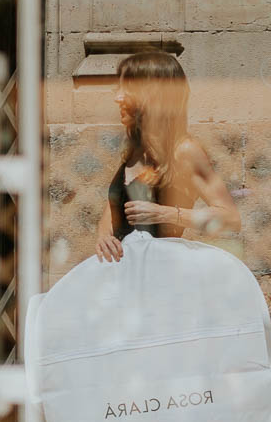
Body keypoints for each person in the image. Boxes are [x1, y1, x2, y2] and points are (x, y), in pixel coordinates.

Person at [95, 51, 240, 263]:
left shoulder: (185, 151)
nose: (117, 98)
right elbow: (112, 210)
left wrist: (165, 214)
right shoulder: (135, 151)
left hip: (161, 272)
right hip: (124, 272)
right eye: (119, 88)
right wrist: (103, 237)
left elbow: (230, 218)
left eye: (128, 89)